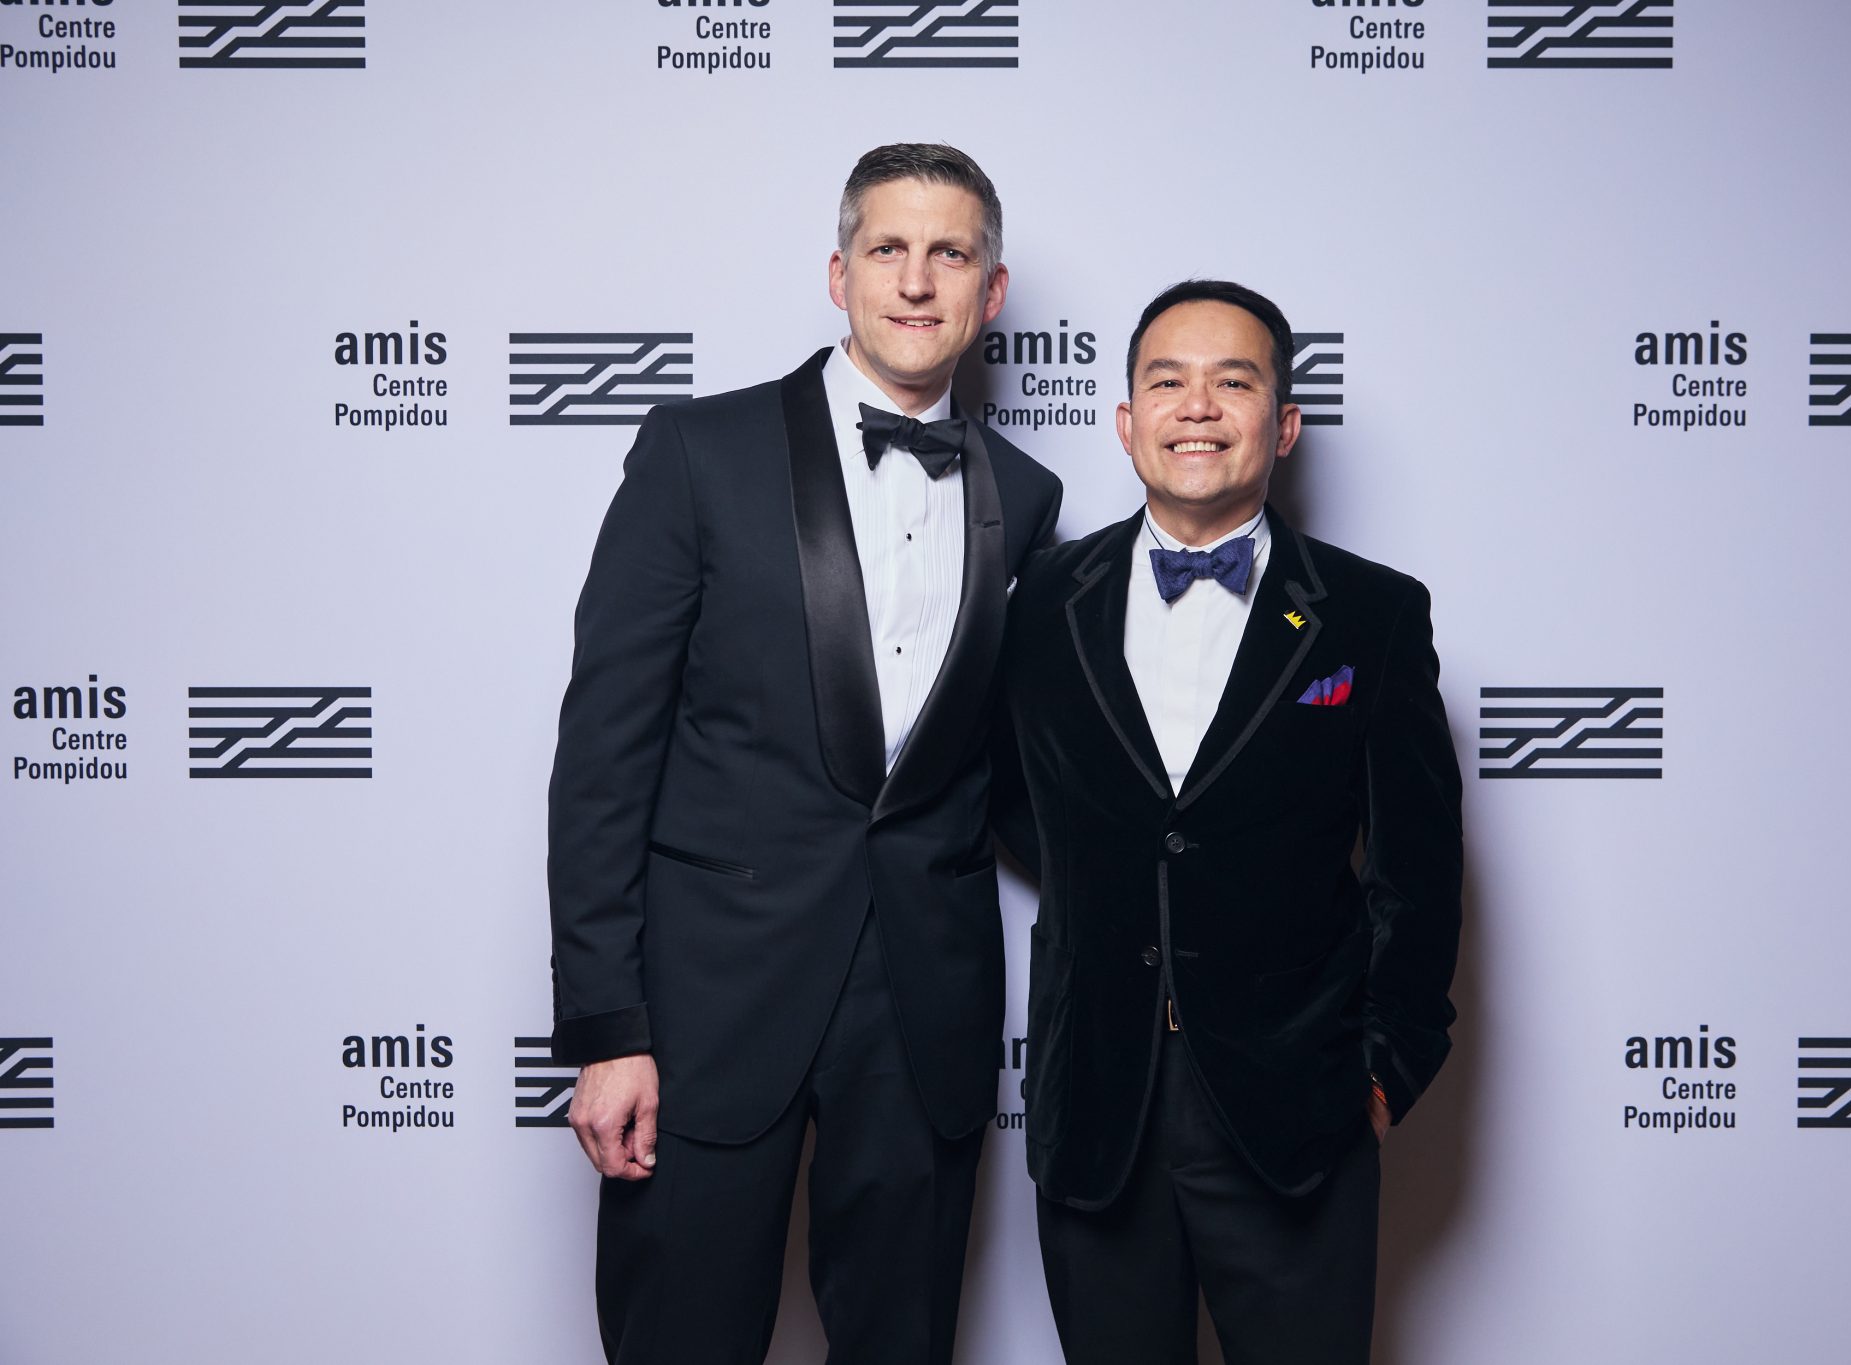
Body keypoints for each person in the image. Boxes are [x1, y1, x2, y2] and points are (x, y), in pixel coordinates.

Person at [546, 143, 1061, 1365]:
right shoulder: (698, 452)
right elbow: (604, 757)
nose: (916, 281)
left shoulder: (1027, 495)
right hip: (707, 1006)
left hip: (923, 1014)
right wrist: (608, 1026)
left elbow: (1012, 772)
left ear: (991, 291)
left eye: (949, 254)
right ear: (840, 275)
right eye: (888, 249)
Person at [1000, 280, 1462, 1363]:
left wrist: (1382, 1071)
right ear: (1127, 422)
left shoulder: (1372, 614)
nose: (1197, 407)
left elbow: (1420, 866)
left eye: (1233, 382)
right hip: (1097, 1106)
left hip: (1295, 1114)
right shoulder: (1040, 602)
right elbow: (1018, 805)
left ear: (1283, 424)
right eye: (1167, 382)